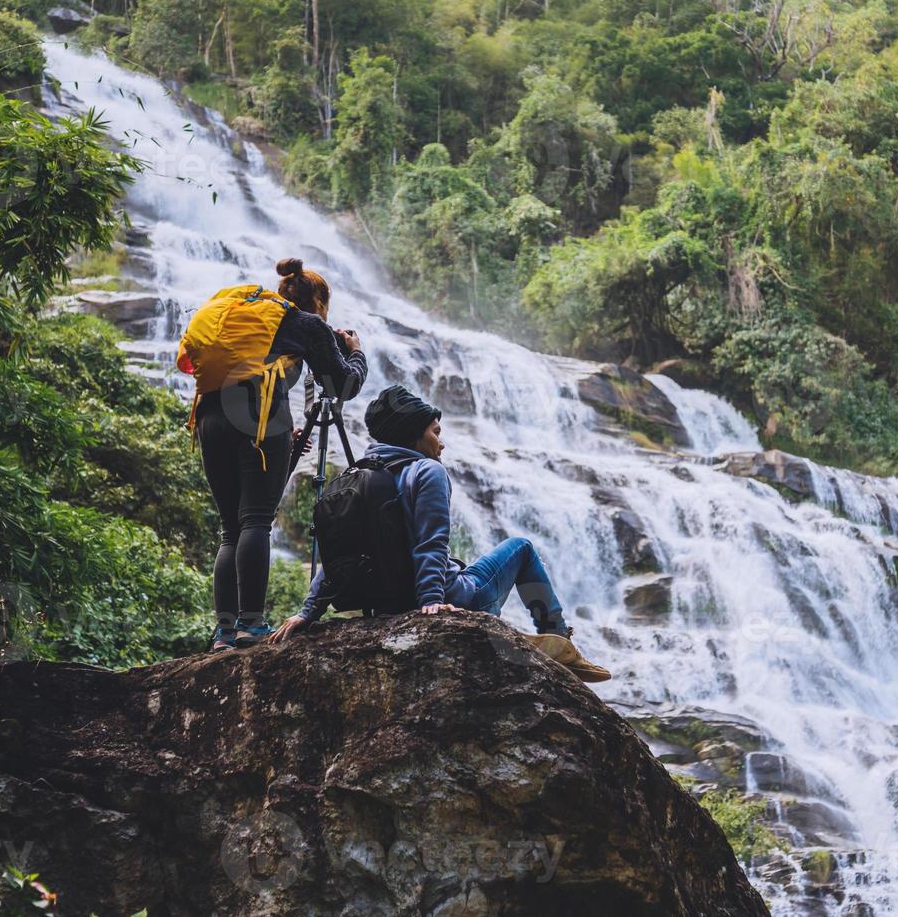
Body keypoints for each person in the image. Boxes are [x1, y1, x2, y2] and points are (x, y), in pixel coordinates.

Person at [269, 385, 610, 683]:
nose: (441, 443)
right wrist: (431, 603)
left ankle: (549, 640)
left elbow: (339, 551)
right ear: (413, 435)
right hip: (456, 597)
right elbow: (432, 543)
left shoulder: (359, 475)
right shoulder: (426, 471)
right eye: (435, 432)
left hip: (388, 605)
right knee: (521, 548)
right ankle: (558, 638)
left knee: (474, 565)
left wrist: (309, 610)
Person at [181, 258, 367, 652]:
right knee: (257, 520)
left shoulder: (256, 313)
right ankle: (253, 623)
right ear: (317, 299)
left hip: (210, 415)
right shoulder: (305, 324)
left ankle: (225, 633)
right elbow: (341, 386)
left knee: (230, 528)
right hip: (259, 413)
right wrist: (355, 352)